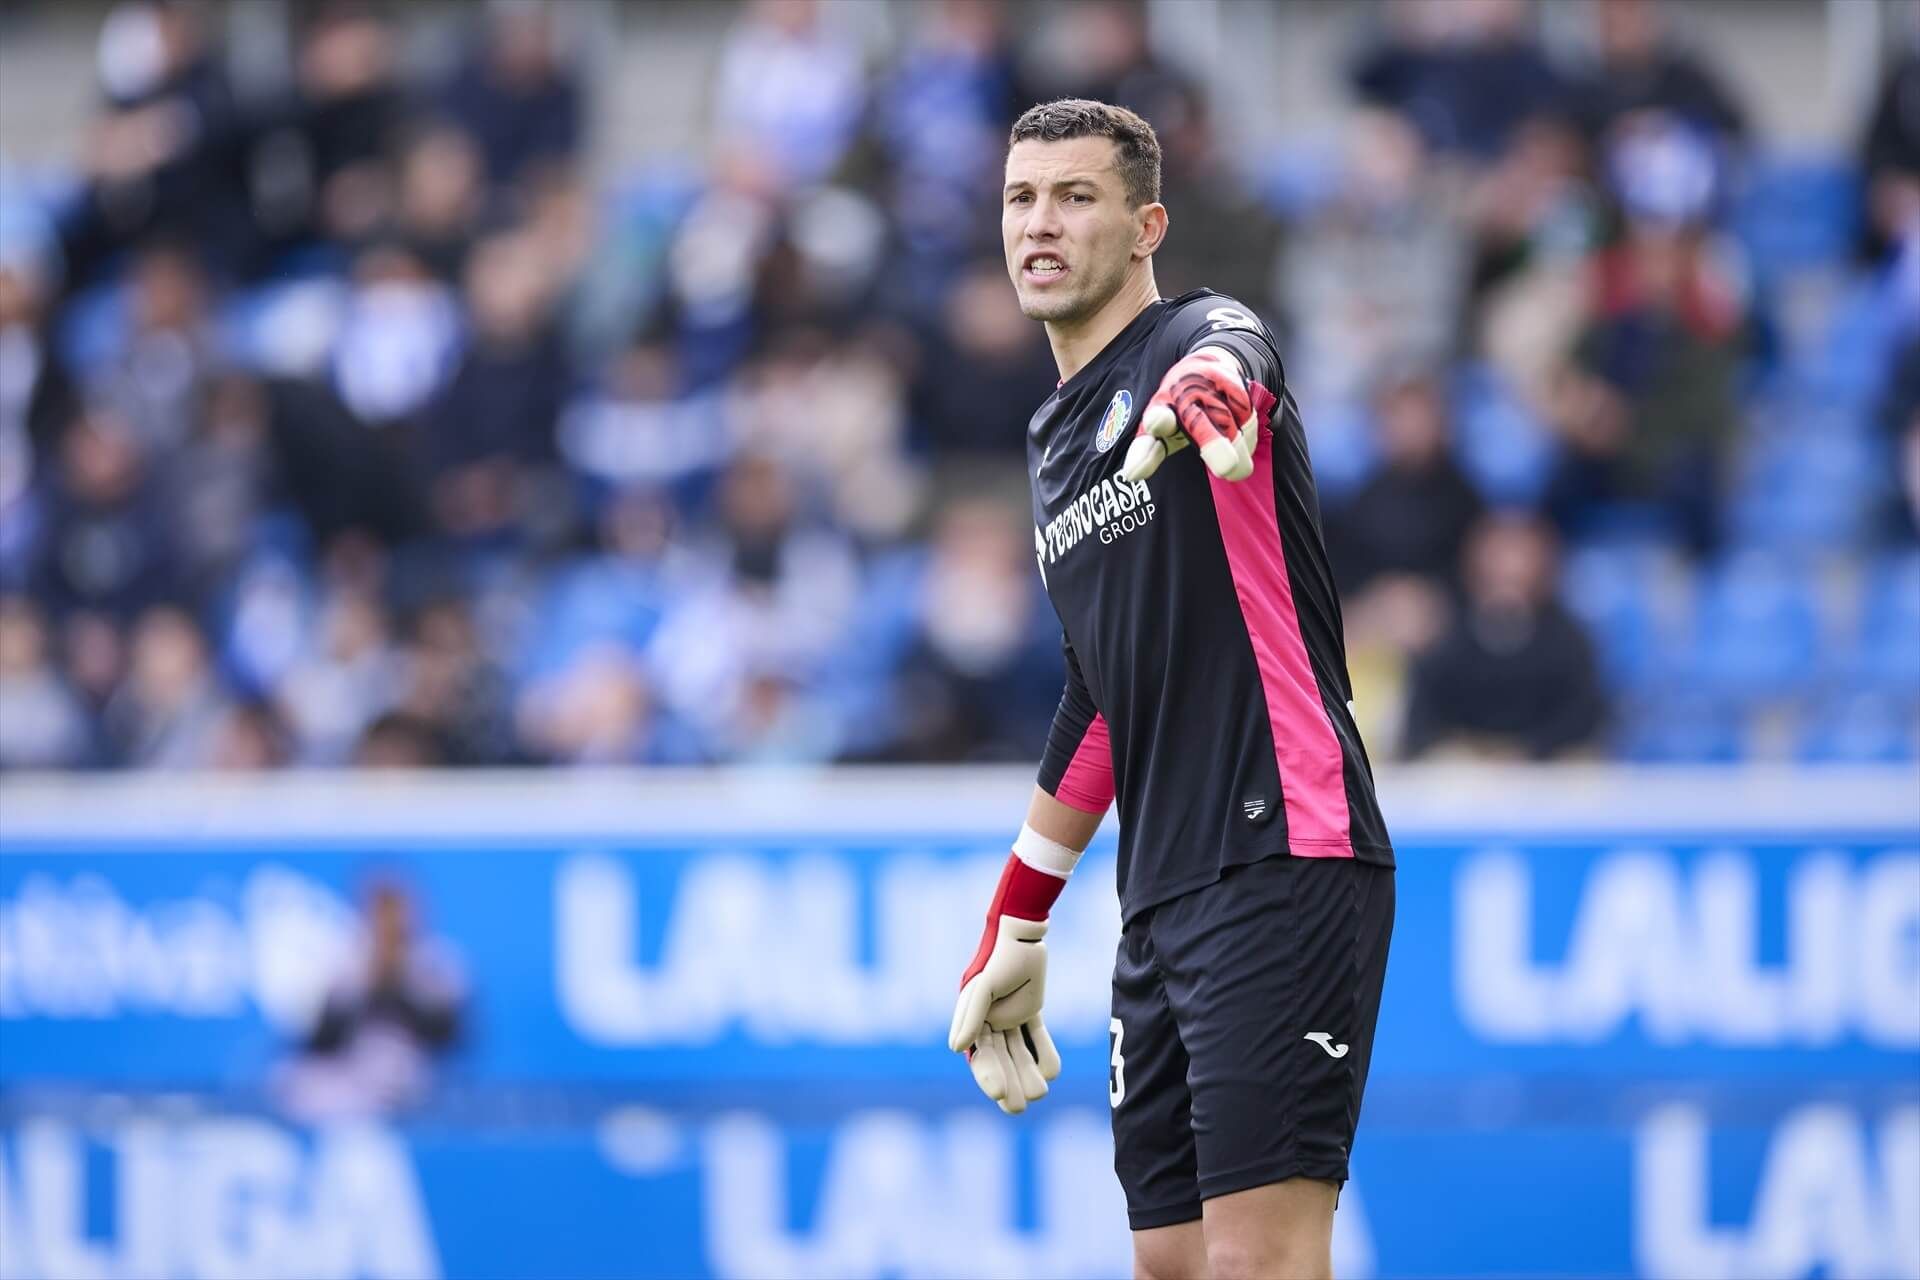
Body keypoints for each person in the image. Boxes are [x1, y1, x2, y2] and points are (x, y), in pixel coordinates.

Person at [947, 101, 1395, 1280]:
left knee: (1263, 1261)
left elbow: (1239, 351)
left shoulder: (1194, 336)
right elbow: (1100, 690)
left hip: (1280, 849)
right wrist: (1018, 918)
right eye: (1020, 199)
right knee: (1173, 1260)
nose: (1040, 223)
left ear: (1147, 224)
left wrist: (1214, 389)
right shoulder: (1054, 439)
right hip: (1162, 890)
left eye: (1075, 197)